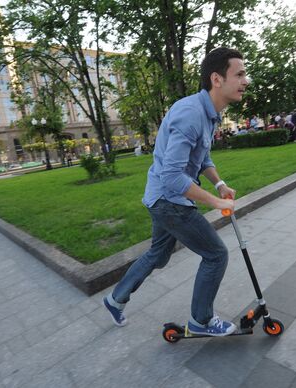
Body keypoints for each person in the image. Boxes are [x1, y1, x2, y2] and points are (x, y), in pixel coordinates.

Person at [103, 47, 247, 336]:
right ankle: (201, 321)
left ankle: (115, 299)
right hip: (169, 200)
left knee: (158, 254)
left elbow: (201, 157)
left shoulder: (209, 113)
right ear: (217, 79)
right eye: (240, 74)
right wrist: (214, 202)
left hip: (163, 198)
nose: (246, 81)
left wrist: (218, 183)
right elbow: (171, 176)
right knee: (216, 255)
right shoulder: (191, 114)